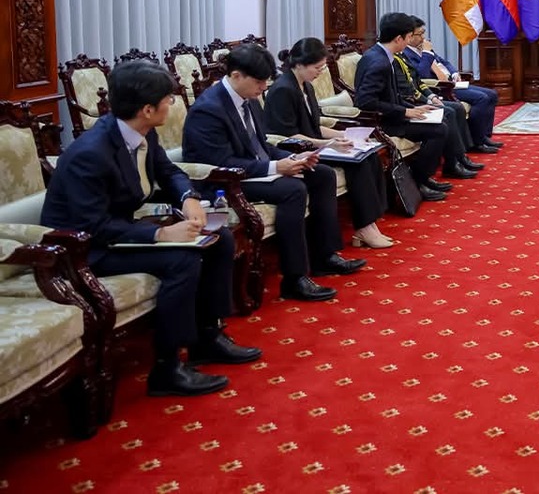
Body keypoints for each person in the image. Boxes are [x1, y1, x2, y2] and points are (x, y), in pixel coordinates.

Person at [42, 61, 262, 397]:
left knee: (219, 239)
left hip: (117, 232)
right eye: (168, 100)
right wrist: (160, 234)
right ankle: (167, 368)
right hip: (82, 251)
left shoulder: (142, 131)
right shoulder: (91, 153)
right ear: (147, 109)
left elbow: (168, 171)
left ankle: (209, 336)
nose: (171, 105)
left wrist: (188, 198)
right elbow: (92, 226)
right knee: (182, 260)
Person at [185, 44, 365, 302]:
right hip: (224, 181)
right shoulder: (209, 109)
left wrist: (292, 157)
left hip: (255, 169)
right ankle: (295, 278)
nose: (263, 88)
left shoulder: (249, 99)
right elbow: (220, 162)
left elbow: (261, 146)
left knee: (322, 174)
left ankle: (324, 256)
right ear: (236, 76)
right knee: (292, 190)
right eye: (259, 82)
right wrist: (275, 167)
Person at [265, 38, 393, 249]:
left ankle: (371, 223)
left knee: (368, 155)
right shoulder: (283, 90)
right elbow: (289, 135)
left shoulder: (306, 86)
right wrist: (328, 144)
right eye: (317, 67)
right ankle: (364, 227)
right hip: (296, 150)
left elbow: (315, 125)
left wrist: (343, 135)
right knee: (357, 164)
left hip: (315, 144)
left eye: (322, 67)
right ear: (299, 64)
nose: (320, 72)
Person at [352, 12, 453, 201]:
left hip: (392, 114)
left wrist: (414, 109)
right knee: (439, 130)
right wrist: (405, 111)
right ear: (399, 38)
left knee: (440, 120)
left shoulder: (381, 55)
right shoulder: (379, 62)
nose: (408, 42)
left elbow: (390, 95)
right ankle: (418, 181)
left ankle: (424, 178)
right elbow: (365, 102)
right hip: (382, 123)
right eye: (408, 37)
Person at [403, 17, 503, 153]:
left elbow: (443, 62)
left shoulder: (423, 47)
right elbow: (421, 75)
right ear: (409, 36)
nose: (423, 37)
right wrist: (426, 54)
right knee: (481, 98)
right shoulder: (407, 53)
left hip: (452, 82)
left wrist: (454, 72)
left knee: (492, 94)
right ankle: (477, 142)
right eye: (419, 34)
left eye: (423, 32)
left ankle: (484, 136)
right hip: (440, 87)